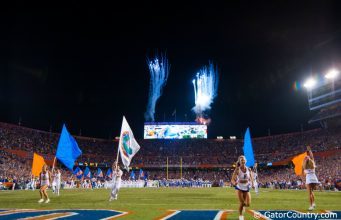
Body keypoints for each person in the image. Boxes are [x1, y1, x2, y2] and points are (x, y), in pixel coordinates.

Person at [231, 156, 254, 220]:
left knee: (248, 204)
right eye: (241, 160)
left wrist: (252, 184)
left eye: (244, 160)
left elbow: (251, 177)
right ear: (239, 162)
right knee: (242, 203)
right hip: (239, 188)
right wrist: (235, 183)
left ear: (245, 161)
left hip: (246, 188)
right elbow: (232, 179)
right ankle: (240, 216)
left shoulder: (249, 169)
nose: (243, 161)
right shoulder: (237, 169)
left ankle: (242, 208)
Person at [302, 146, 319, 211]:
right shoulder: (313, 164)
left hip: (309, 178)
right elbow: (312, 157)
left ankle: (311, 205)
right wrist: (309, 150)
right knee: (312, 192)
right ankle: (313, 203)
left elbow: (303, 167)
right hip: (314, 178)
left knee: (309, 193)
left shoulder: (305, 166)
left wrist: (305, 159)